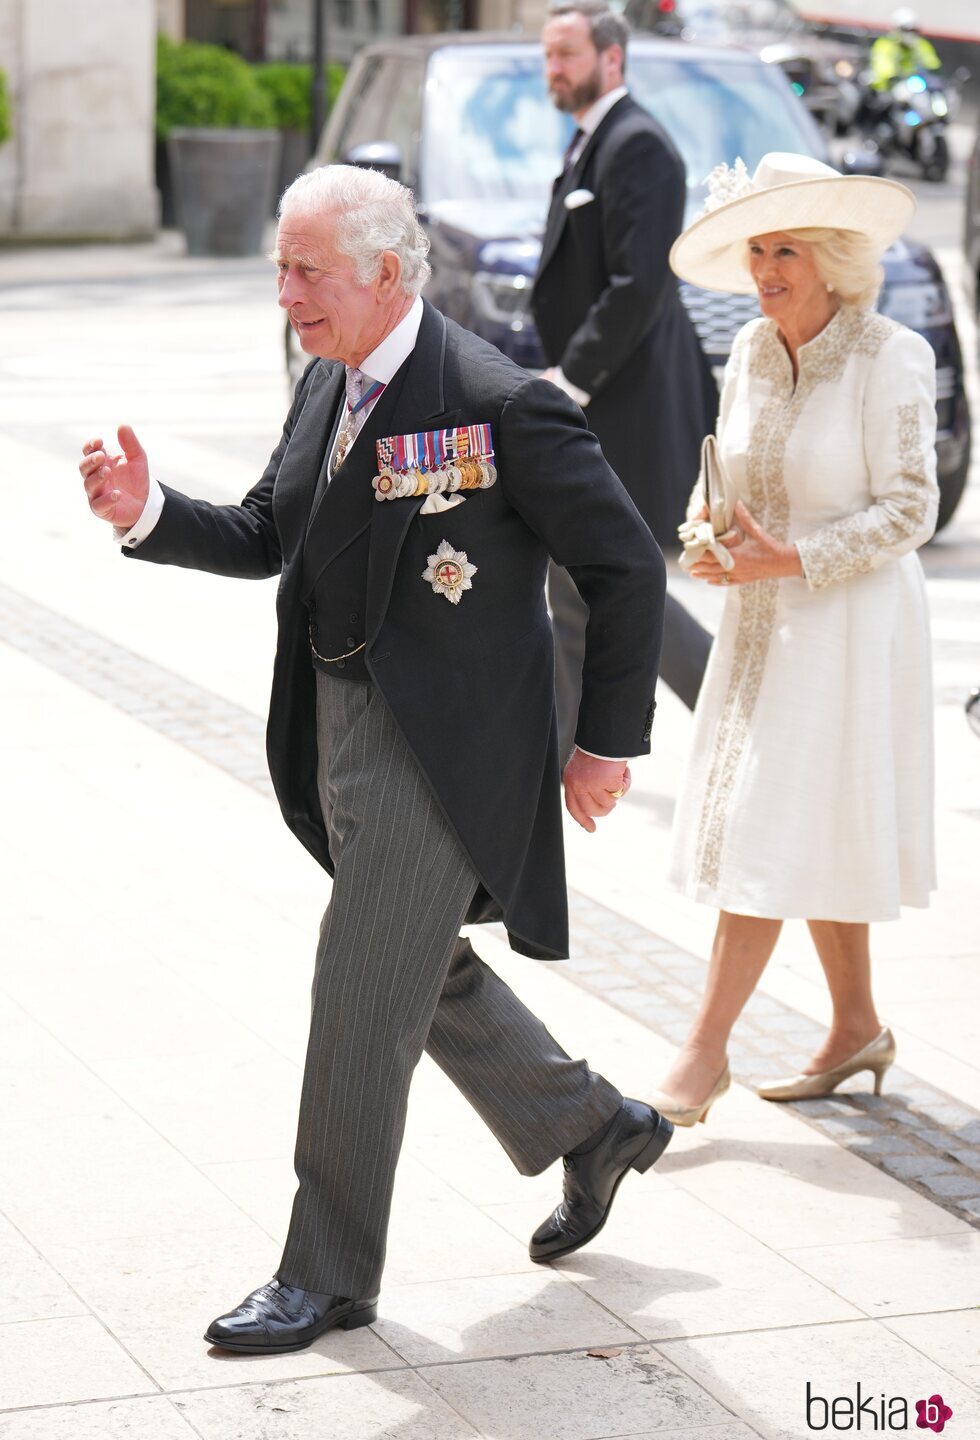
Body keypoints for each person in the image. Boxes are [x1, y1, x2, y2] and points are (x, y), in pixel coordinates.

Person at [78, 164, 674, 1354]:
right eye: (280, 268)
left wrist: (603, 740)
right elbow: (264, 533)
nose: (286, 293)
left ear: (386, 274)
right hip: (341, 729)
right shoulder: (327, 379)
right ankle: (592, 1125)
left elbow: (625, 568)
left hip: (446, 754)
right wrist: (147, 511)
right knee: (415, 969)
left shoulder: (501, 402)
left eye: (306, 271)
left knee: (359, 991)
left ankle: (326, 1274)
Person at [648, 152, 937, 1125]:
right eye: (756, 249)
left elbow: (910, 510)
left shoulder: (889, 354)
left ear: (830, 259)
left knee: (772, 824)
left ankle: (700, 1051)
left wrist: (785, 561)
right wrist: (702, 533)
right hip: (760, 624)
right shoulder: (747, 352)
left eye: (785, 251)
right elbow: (720, 478)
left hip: (849, 626)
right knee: (811, 824)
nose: (765, 269)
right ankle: (854, 1024)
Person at [531, 0, 718, 750]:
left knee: (606, 573)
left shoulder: (638, 145)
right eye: (548, 56)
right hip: (594, 403)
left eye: (567, 54)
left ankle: (728, 705)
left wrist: (569, 379)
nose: (554, 69)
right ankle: (554, 741)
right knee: (579, 575)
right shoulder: (591, 142)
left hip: (624, 406)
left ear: (612, 59)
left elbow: (638, 284)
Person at [869, 9, 942, 93]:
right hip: (888, 88)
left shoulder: (921, 44)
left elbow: (932, 63)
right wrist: (891, 76)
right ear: (897, 29)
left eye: (914, 30)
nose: (911, 34)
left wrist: (937, 73)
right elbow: (883, 66)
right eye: (907, 30)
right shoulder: (885, 45)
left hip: (914, 85)